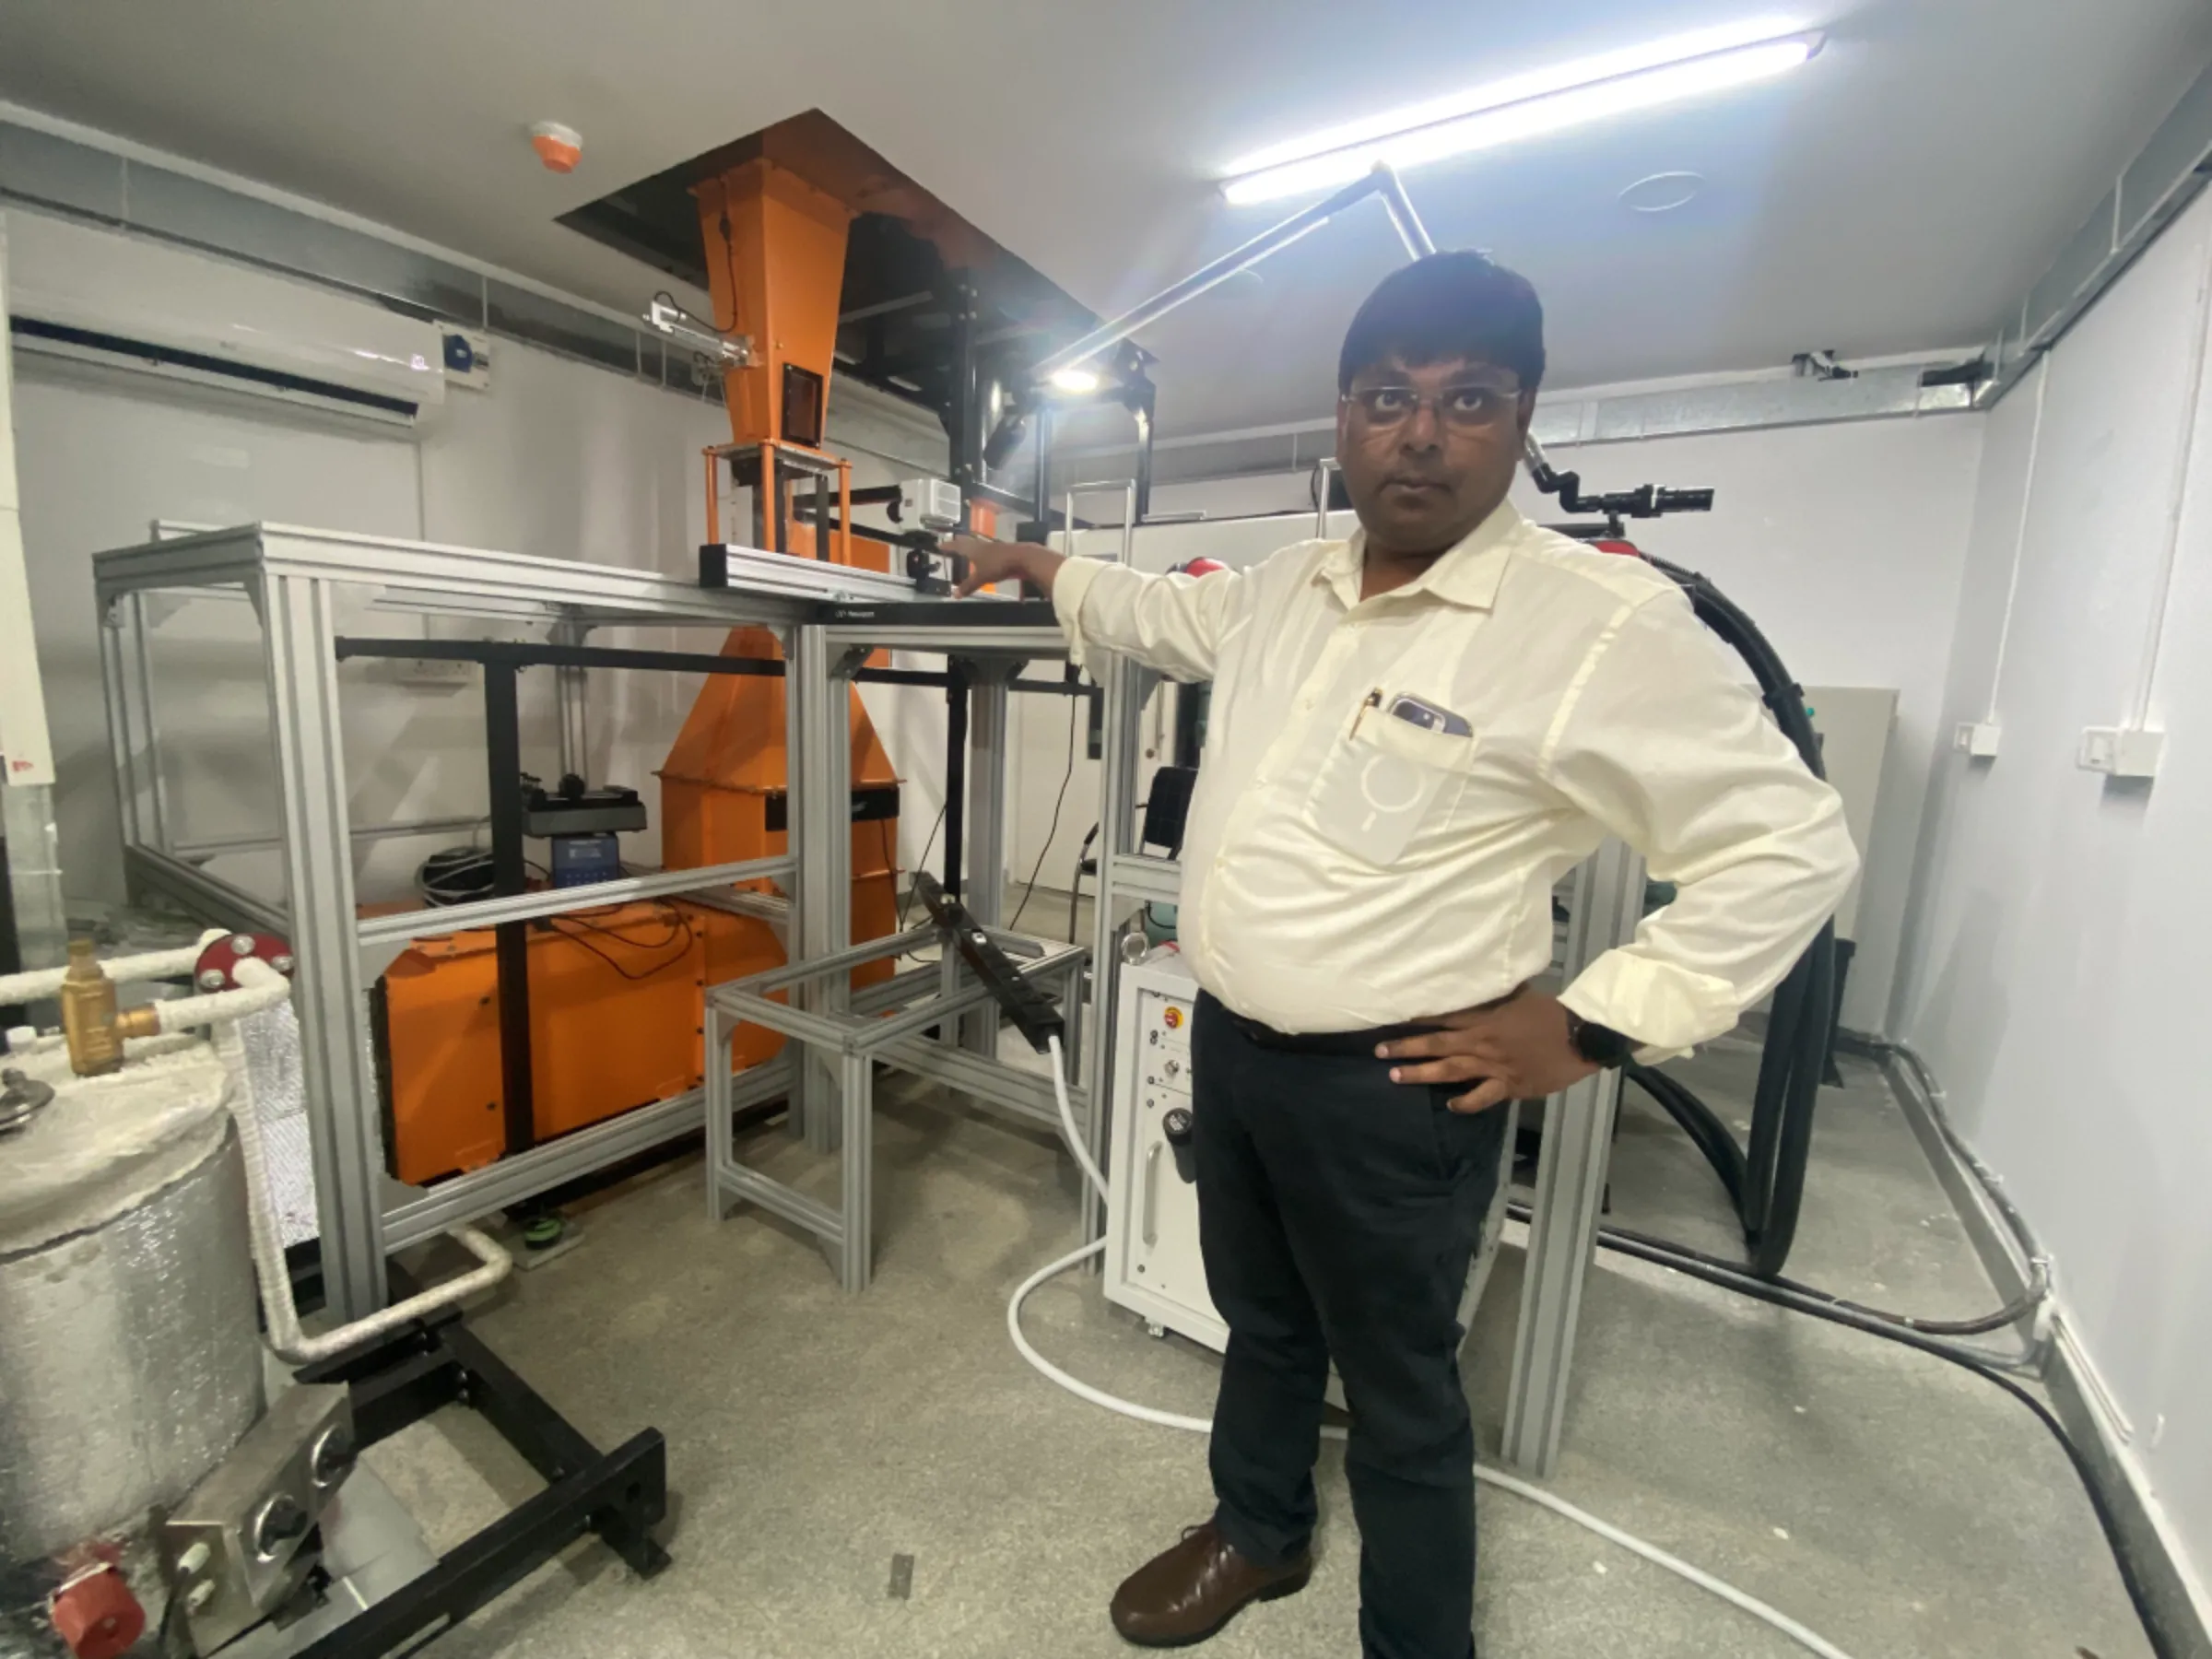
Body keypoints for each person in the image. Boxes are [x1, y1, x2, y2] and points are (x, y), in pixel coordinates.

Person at [947, 252, 1858, 1659]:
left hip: (1397, 1093)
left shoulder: (1597, 627)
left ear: (1523, 417)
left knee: (1403, 1394)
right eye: (1388, 397)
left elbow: (1789, 847)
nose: (1420, 432)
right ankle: (1260, 1531)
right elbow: (1154, 612)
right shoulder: (1285, 587)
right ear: (1344, 413)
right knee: (1261, 1322)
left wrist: (1595, 1023)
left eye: (1467, 399)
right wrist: (1038, 562)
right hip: (1237, 1049)